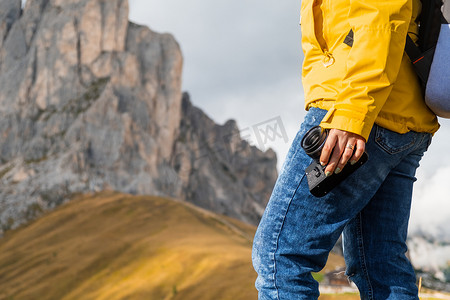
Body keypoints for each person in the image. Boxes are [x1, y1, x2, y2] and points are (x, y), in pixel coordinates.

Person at [251, 0, 440, 299]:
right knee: (381, 266)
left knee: (281, 255)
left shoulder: (354, 112)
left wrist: (353, 113)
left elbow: (380, 15)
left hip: (356, 112)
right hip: (403, 115)